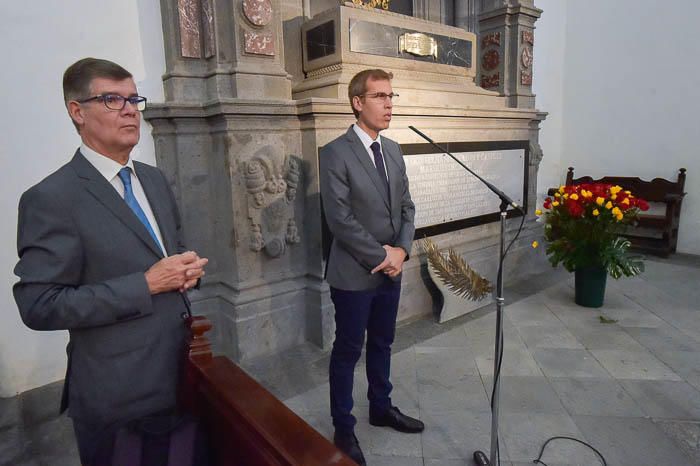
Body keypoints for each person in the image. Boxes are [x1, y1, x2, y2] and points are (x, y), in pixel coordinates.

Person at [13, 57, 208, 465]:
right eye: (112, 99)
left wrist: (185, 272)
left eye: (133, 99)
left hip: (180, 369)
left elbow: (166, 252)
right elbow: (39, 304)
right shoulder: (51, 199)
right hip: (117, 392)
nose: (130, 110)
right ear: (77, 112)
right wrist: (147, 284)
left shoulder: (153, 178)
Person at [319, 69, 423, 465]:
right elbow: (339, 219)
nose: (389, 104)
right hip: (353, 273)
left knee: (383, 342)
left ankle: (381, 407)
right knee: (348, 349)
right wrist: (382, 257)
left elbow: (407, 208)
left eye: (391, 96)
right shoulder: (334, 153)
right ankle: (343, 428)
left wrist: (401, 251)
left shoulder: (393, 149)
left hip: (391, 267)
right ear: (357, 102)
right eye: (379, 96)